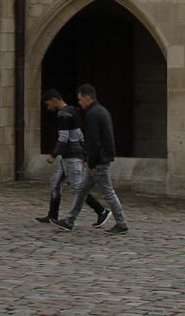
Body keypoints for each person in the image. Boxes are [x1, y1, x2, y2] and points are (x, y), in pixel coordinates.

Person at [57, 84, 128, 234]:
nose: (80, 103)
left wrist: (92, 161)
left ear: (88, 98)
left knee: (108, 192)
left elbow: (94, 141)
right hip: (98, 159)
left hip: (99, 160)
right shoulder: (101, 111)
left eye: (81, 99)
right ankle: (69, 220)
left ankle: (121, 223)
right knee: (81, 190)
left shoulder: (93, 114)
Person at [36, 88, 109, 227]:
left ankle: (101, 211)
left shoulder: (63, 115)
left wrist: (53, 155)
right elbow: (79, 135)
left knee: (77, 188)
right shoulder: (72, 112)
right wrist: (85, 155)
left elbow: (64, 137)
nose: (48, 107)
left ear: (54, 100)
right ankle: (52, 215)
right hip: (69, 156)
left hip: (71, 156)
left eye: (48, 104)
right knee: (55, 184)